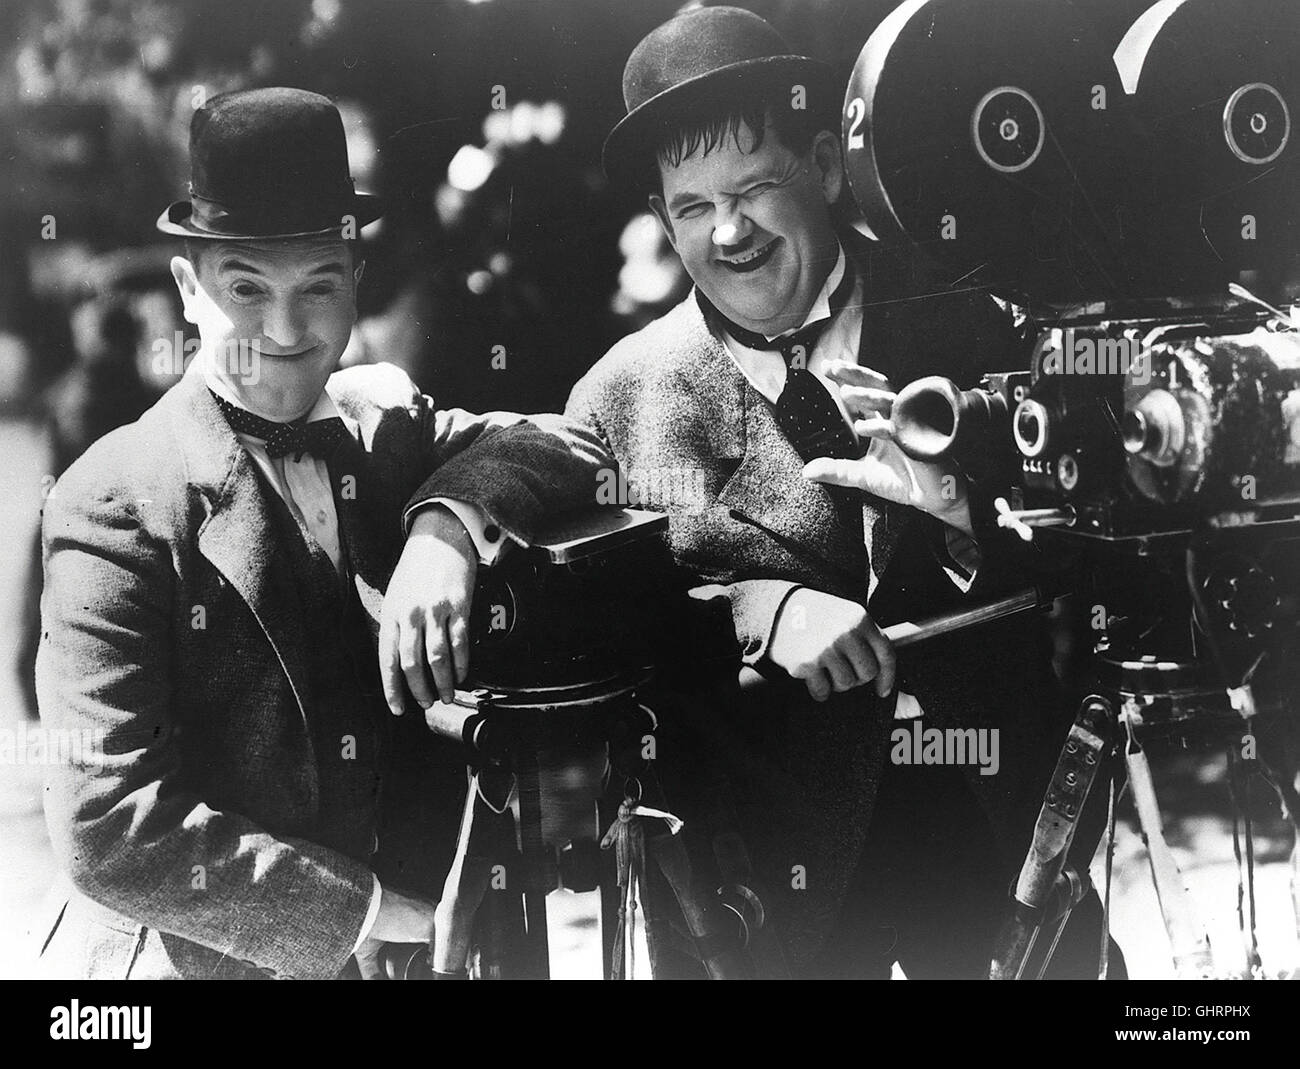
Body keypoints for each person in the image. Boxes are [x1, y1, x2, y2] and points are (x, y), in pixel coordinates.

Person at [568, 6, 1116, 979]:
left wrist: (958, 509)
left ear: (823, 166)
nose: (727, 231)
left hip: (1003, 851)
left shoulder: (976, 325)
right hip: (764, 895)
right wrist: (759, 608)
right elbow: (607, 628)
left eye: (754, 188)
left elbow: (1103, 549)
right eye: (691, 207)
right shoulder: (622, 395)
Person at [34, 87, 611, 979]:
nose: (287, 330)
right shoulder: (113, 499)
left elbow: (566, 444)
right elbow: (108, 826)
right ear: (189, 289)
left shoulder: (380, 423)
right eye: (246, 288)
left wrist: (445, 527)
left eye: (318, 285)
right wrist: (363, 914)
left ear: (357, 281)